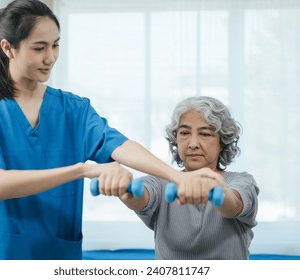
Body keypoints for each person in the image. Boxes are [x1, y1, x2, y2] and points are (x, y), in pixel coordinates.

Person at [0, 0, 213, 260]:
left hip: (57, 254)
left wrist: (176, 176)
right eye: (39, 48)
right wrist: (83, 169)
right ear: (8, 48)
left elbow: (120, 145)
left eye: (55, 46)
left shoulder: (73, 109)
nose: (50, 57)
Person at [109, 96, 259, 259]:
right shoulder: (160, 182)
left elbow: (234, 205)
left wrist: (216, 191)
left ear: (222, 141)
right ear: (176, 139)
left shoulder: (242, 181)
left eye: (205, 134)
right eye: (185, 133)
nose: (193, 143)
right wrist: (123, 187)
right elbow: (139, 197)